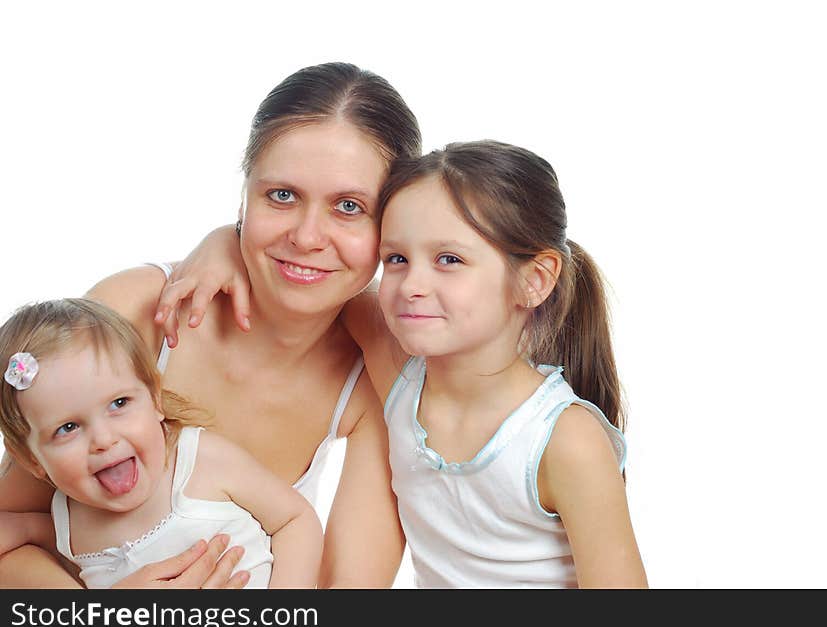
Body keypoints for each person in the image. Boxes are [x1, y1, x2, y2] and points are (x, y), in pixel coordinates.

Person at [150, 140, 648, 588]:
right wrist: (223, 243)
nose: (412, 285)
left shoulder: (564, 440)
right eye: (396, 259)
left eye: (449, 260)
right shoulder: (399, 372)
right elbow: (314, 282)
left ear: (534, 281)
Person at [0, 61, 421, 588]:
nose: (308, 237)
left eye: (349, 206)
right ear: (244, 194)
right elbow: (7, 532)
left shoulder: (375, 382)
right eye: (282, 195)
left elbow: (350, 596)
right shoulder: (133, 315)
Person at [0, 299, 323, 588]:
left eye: (119, 404)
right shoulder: (67, 520)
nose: (104, 439)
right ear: (32, 460)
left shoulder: (201, 461)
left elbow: (295, 519)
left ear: (155, 399)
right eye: (68, 427)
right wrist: (27, 528)